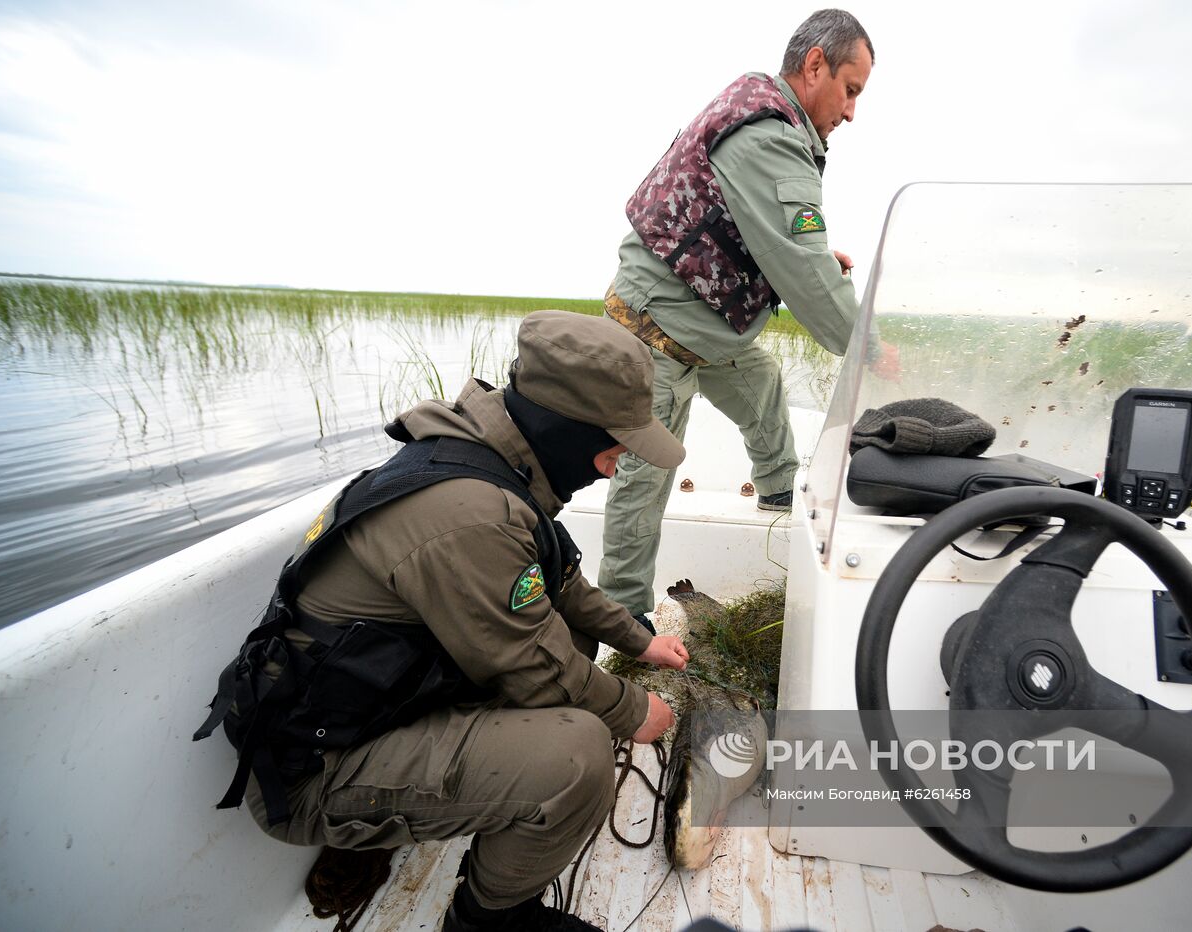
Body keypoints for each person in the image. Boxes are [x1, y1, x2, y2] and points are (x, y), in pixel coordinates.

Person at [195, 311, 691, 932]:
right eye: (614, 444)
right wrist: (635, 711)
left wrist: (642, 644)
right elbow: (537, 671)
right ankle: (488, 919)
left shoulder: (496, 466)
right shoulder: (472, 512)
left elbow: (564, 587)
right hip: (315, 772)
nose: (614, 466)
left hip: (376, 709)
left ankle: (413, 816)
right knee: (580, 755)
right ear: (566, 427)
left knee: (576, 639)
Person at [600, 8, 898, 623]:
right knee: (645, 481)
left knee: (761, 382)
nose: (850, 112)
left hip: (702, 322)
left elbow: (753, 229)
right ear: (815, 65)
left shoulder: (765, 114)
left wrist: (802, 260)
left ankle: (780, 491)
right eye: (850, 90)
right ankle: (626, 631)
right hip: (655, 334)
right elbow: (808, 274)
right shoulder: (770, 136)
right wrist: (870, 349)